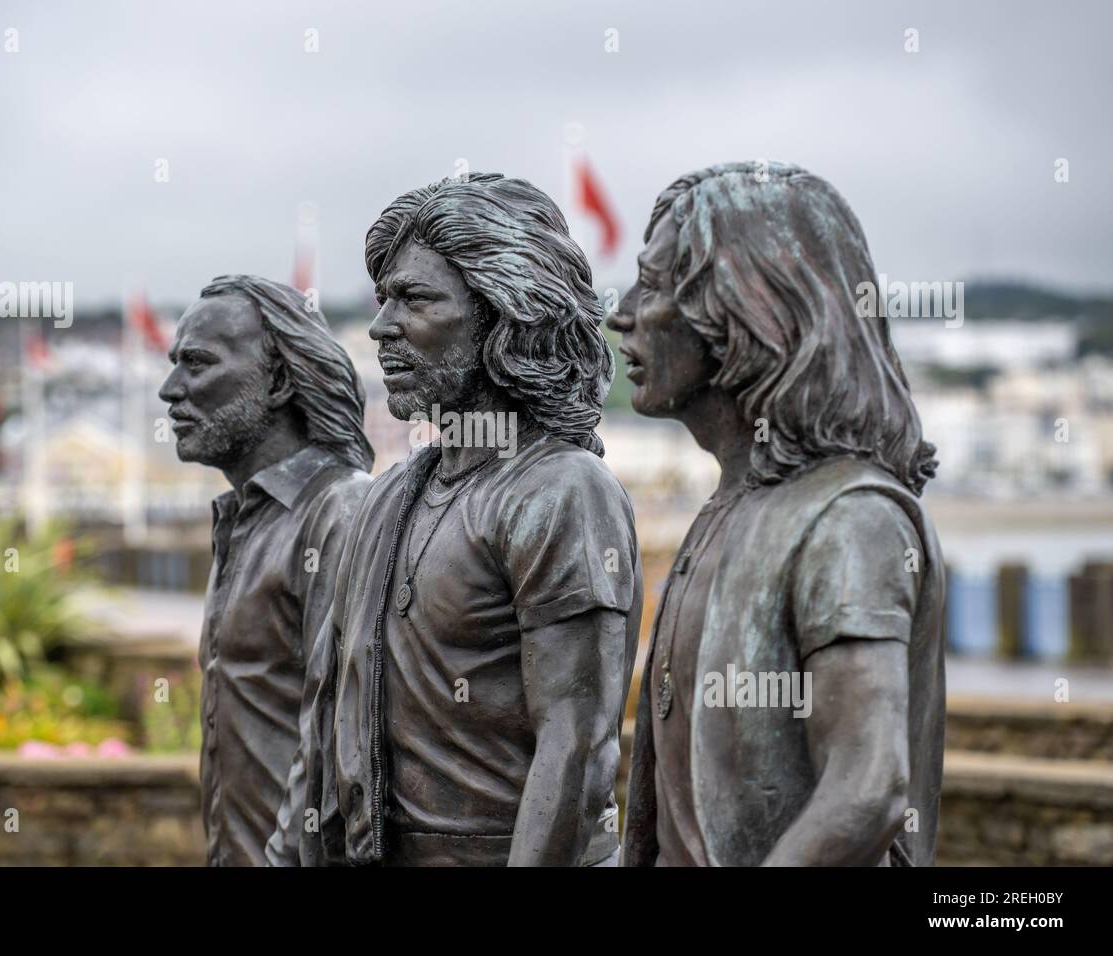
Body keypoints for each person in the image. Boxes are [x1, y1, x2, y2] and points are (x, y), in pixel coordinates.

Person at [271, 173, 641, 866]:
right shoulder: (385, 501)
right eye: (383, 299)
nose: (381, 326)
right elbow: (323, 725)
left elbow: (577, 750)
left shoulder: (562, 493)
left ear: (504, 314)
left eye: (413, 299)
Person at [613, 162, 946, 866]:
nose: (622, 314)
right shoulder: (727, 512)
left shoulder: (848, 517)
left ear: (745, 308)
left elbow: (867, 790)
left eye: (654, 286)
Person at [159, 274, 372, 866]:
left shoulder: (339, 511)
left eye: (197, 364)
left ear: (277, 380)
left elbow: (339, 740)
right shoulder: (242, 520)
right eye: (174, 363)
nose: (169, 389)